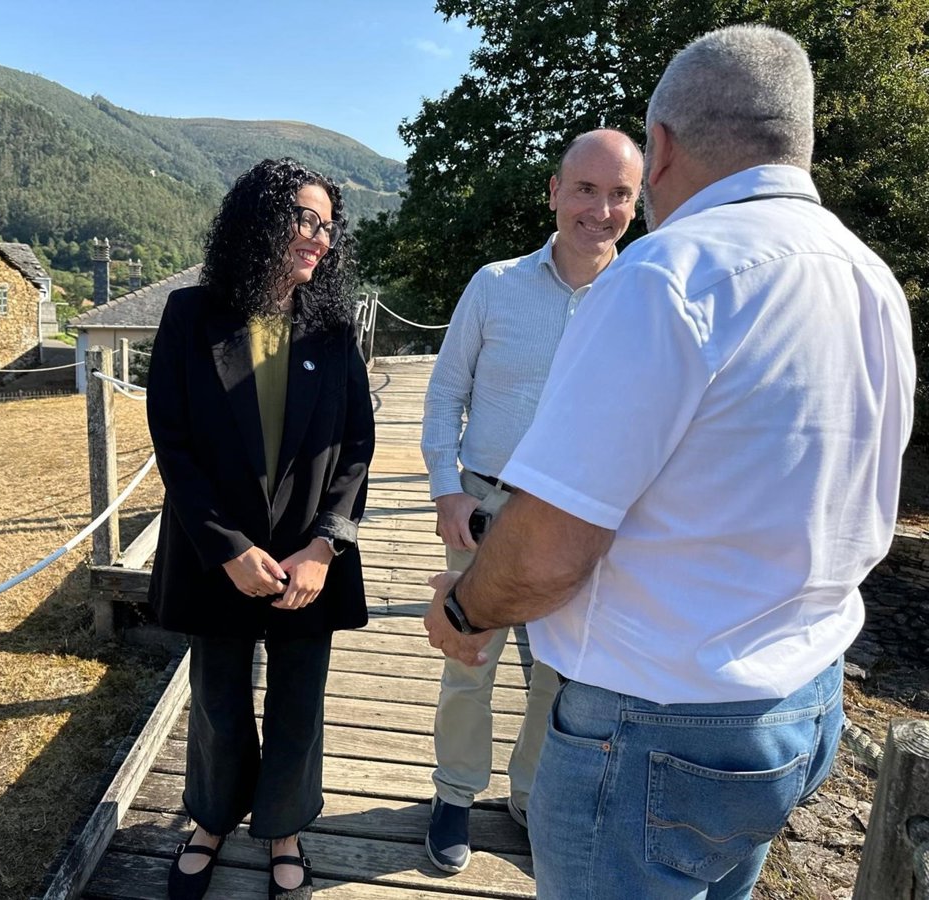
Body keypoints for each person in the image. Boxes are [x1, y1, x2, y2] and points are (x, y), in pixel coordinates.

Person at [424, 24, 916, 900]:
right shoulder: (871, 278)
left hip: (655, 724)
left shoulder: (668, 275)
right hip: (801, 701)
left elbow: (551, 548)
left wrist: (463, 607)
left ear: (661, 148)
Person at [146, 158, 375, 900]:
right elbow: (172, 443)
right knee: (217, 699)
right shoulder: (190, 315)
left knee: (299, 701)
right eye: (304, 220)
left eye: (327, 226)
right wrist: (227, 548)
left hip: (309, 559)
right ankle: (210, 820)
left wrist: (325, 546)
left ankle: (284, 827)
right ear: (259, 221)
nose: (319, 238)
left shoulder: (334, 331)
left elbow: (357, 446)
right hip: (217, 554)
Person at [420, 129, 643, 873]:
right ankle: (454, 793)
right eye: (586, 189)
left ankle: (529, 797)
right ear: (554, 191)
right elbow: (445, 393)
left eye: (620, 194)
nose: (601, 210)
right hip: (483, 503)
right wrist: (446, 488)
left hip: (581, 515)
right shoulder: (495, 284)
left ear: (637, 204)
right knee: (469, 656)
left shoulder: (642, 297)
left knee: (558, 671)